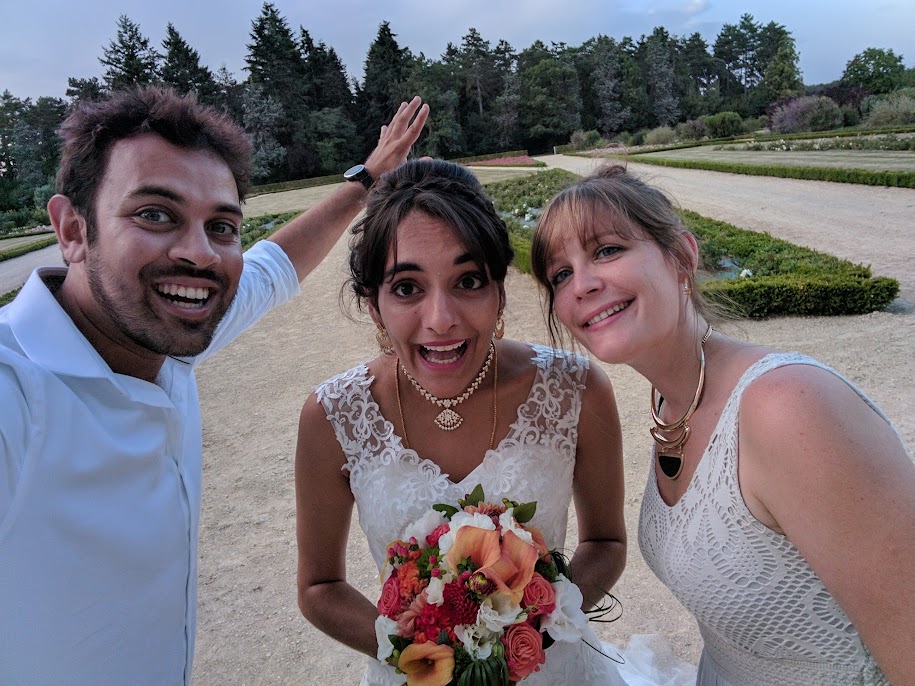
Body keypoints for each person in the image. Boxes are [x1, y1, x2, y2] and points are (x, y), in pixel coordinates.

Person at [0, 86, 428, 685]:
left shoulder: (166, 335)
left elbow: (273, 268)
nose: (200, 255)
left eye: (222, 226)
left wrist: (368, 180)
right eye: (155, 214)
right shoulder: (15, 393)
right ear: (72, 229)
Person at [529, 164, 915, 686]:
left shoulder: (787, 408)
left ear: (682, 257)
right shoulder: (671, 402)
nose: (582, 284)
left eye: (607, 250)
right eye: (560, 274)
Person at [294, 159, 637, 685]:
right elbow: (319, 587)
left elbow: (607, 543)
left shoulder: (575, 389)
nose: (441, 319)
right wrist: (423, 654)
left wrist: (527, 628)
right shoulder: (333, 415)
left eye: (468, 280)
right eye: (407, 288)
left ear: (500, 291)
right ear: (373, 306)